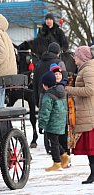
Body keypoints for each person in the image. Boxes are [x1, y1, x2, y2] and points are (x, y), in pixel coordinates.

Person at [65, 46, 94, 184]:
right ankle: (93, 173)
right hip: (86, 112)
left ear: (82, 57)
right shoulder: (85, 69)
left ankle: (93, 174)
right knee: (91, 149)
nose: (74, 59)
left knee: (91, 148)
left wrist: (70, 90)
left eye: (76, 56)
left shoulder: (88, 70)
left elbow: (90, 90)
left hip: (89, 113)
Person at [33, 42, 68, 154]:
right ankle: (60, 149)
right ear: (58, 52)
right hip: (57, 96)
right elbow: (65, 78)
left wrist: (37, 98)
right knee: (56, 122)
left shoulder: (38, 64)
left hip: (42, 95)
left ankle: (49, 147)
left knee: (46, 120)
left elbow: (34, 82)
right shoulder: (59, 63)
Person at [38, 71, 69, 171]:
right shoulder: (61, 91)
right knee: (55, 141)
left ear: (45, 85)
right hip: (60, 121)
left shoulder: (48, 95)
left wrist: (41, 125)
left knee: (54, 143)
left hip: (52, 123)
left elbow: (45, 111)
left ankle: (57, 162)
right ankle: (64, 156)